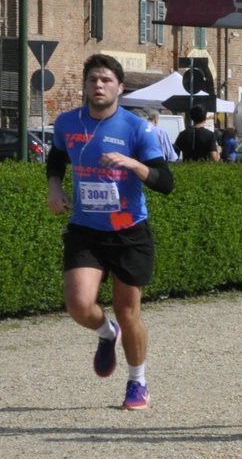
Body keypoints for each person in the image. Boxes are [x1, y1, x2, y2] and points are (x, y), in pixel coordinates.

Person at [46, 54, 175, 410]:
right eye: (92, 80)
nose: (98, 86)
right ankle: (107, 333)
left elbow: (166, 182)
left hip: (129, 230)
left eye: (105, 80)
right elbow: (57, 156)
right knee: (77, 303)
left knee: (128, 310)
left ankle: (138, 382)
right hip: (86, 229)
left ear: (120, 87)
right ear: (85, 86)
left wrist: (134, 164)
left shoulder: (137, 129)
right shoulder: (68, 122)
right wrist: (54, 186)